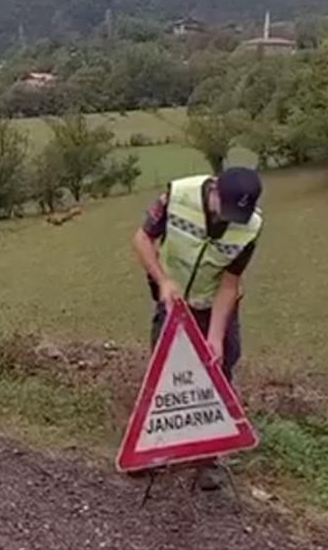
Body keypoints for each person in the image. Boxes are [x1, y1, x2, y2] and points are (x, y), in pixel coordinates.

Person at [130, 167, 263, 490]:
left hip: (214, 305)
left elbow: (230, 284)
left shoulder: (250, 228)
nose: (229, 221)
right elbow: (142, 238)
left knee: (219, 372)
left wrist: (215, 336)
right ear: (214, 189)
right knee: (166, 376)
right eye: (226, 211)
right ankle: (156, 451)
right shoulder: (178, 195)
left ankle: (208, 460)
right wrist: (163, 282)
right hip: (173, 302)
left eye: (237, 216)